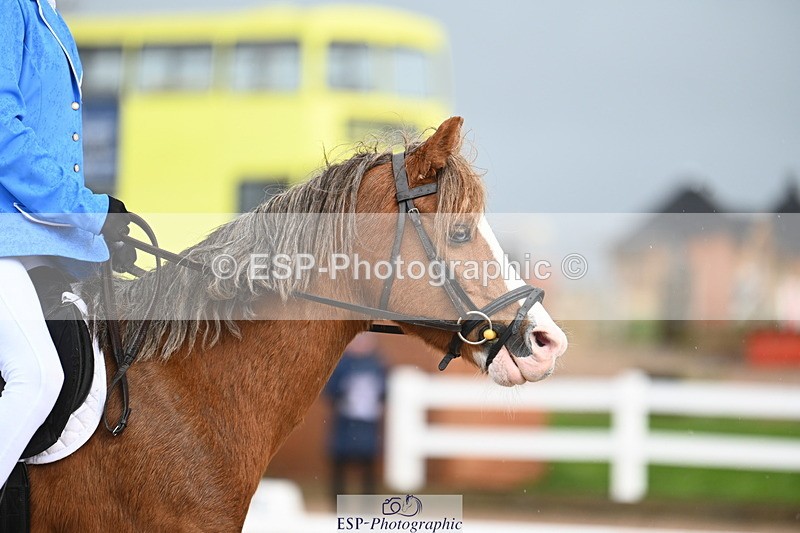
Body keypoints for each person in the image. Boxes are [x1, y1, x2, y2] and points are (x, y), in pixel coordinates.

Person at [0, 0, 132, 488]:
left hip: (19, 244)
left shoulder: (49, 15)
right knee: (37, 379)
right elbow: (4, 138)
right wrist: (92, 213)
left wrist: (94, 236)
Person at [324, 333, 388, 504]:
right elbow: (330, 388)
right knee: (340, 462)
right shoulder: (342, 364)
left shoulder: (377, 364)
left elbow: (385, 390)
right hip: (345, 421)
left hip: (367, 423)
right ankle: (337, 501)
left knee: (368, 463)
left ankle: (368, 501)